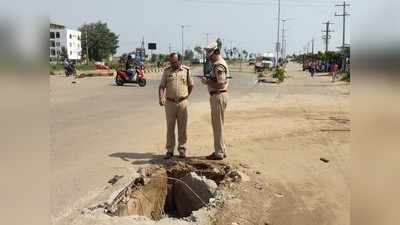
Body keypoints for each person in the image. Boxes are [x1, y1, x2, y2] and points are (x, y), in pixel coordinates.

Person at [159, 53, 194, 159]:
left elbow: (191, 85)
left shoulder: (186, 71)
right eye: (171, 62)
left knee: (182, 128)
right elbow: (161, 86)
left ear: (180, 61)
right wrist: (161, 97)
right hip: (169, 103)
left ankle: (182, 149)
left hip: (183, 103)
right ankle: (169, 150)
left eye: (174, 62)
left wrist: (186, 96)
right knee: (170, 127)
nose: (172, 64)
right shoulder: (166, 71)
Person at [201, 42, 229, 160]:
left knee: (217, 126)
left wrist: (207, 82)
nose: (208, 58)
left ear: (214, 53)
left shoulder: (218, 65)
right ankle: (222, 149)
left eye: (209, 55)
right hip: (219, 96)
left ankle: (218, 153)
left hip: (218, 96)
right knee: (219, 125)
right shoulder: (218, 64)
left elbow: (221, 84)